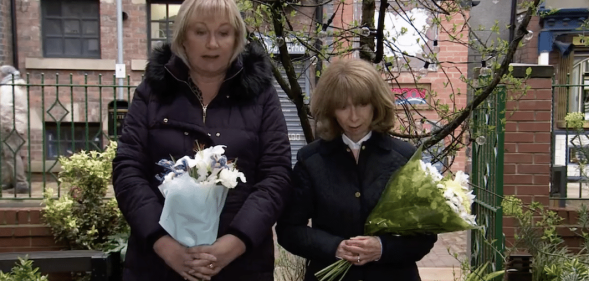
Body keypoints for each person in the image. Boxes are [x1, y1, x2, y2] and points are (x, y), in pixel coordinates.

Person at [111, 0, 292, 280]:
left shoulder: (261, 95)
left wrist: (235, 242)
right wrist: (163, 243)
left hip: (241, 264)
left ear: (236, 39)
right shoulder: (153, 91)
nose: (212, 44)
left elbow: (276, 175)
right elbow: (128, 170)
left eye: (223, 33)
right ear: (183, 36)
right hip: (159, 263)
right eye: (200, 32)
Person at [276, 58, 437, 281]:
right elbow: (288, 230)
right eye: (342, 107)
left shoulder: (404, 158)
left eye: (362, 104)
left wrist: (382, 247)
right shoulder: (310, 160)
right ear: (330, 109)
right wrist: (335, 247)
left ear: (376, 104)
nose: (353, 117)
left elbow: (425, 235)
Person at [0, 65, 30, 194]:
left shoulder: (8, 87)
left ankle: (21, 183)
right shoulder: (18, 86)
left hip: (10, 125)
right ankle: (9, 181)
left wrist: (6, 125)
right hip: (17, 124)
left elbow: (5, 107)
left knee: (11, 154)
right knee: (8, 154)